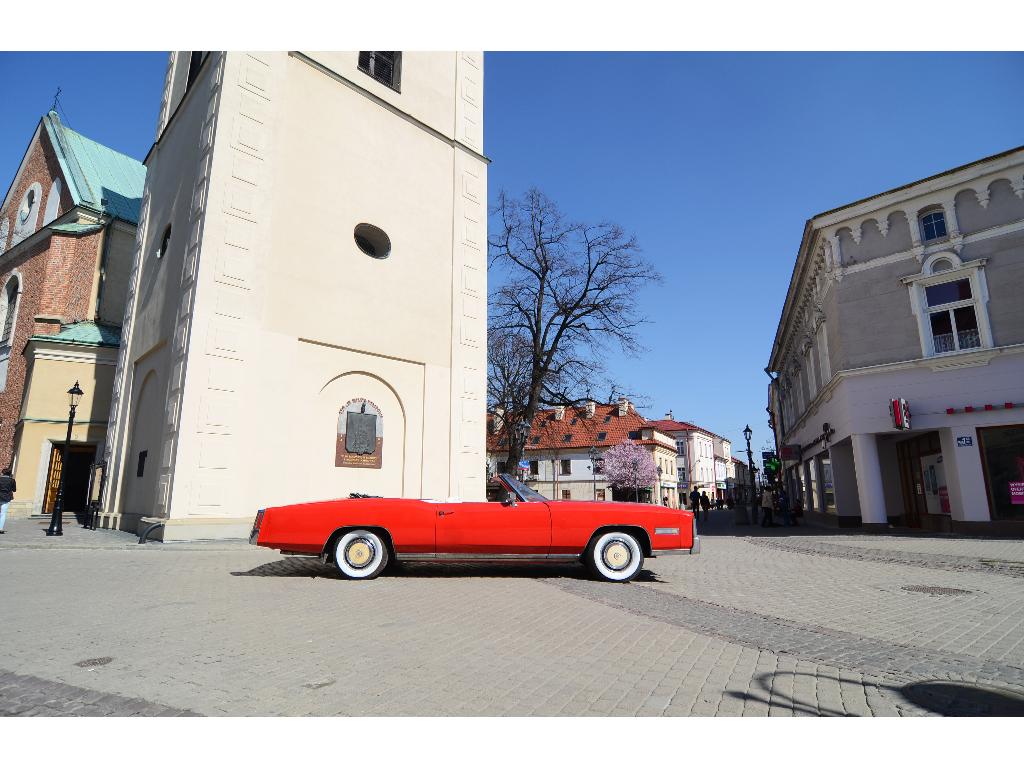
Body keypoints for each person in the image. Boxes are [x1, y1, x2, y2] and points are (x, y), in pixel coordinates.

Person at [0, 467, 15, 534]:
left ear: (3, 473)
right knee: (3, 513)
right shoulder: (12, 480)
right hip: (6, 497)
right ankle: (0, 528)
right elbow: (14, 490)